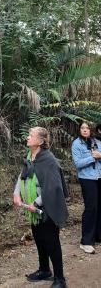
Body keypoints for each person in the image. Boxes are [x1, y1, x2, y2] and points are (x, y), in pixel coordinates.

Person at [13, 127, 68, 288]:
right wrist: (16, 193)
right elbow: (21, 176)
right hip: (33, 210)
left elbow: (52, 186)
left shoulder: (48, 159)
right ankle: (44, 269)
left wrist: (36, 203)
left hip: (47, 208)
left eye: (31, 136)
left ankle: (60, 279)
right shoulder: (31, 156)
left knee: (52, 242)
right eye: (28, 135)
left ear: (41, 141)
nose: (27, 137)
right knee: (39, 240)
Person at [71, 122, 101, 254]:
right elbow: (77, 163)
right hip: (87, 178)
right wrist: (92, 157)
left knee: (99, 207)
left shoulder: (97, 141)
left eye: (87, 128)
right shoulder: (77, 144)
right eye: (82, 128)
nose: (85, 130)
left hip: (99, 177)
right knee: (91, 207)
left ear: (91, 130)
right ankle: (86, 241)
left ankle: (98, 236)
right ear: (79, 130)